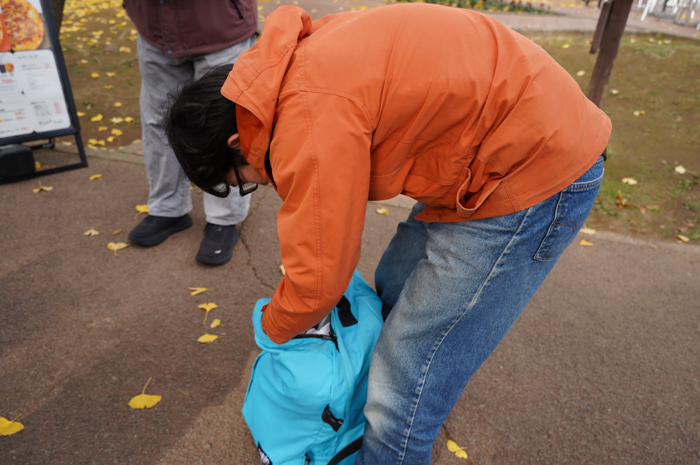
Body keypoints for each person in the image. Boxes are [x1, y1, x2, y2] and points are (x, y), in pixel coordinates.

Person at [164, 4, 611, 463]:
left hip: (531, 168)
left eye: (244, 180)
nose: (259, 183)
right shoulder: (283, 70)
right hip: (500, 137)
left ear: (235, 143)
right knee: (392, 289)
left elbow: (319, 277)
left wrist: (272, 327)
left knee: (405, 390)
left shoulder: (307, 116)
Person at [123, 0, 257, 265]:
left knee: (225, 127)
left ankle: (223, 219)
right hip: (153, 28)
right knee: (158, 122)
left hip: (220, 25)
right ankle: (168, 208)